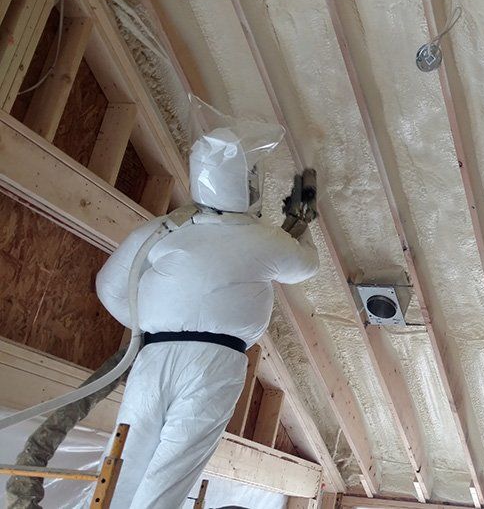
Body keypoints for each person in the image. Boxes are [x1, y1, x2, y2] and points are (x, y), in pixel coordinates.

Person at [94, 99, 319, 508]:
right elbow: (304, 267)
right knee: (173, 468)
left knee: (125, 459)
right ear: (249, 184)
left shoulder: (161, 231)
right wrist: (299, 227)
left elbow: (111, 288)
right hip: (214, 362)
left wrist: (153, 325)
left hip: (152, 356)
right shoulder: (260, 239)